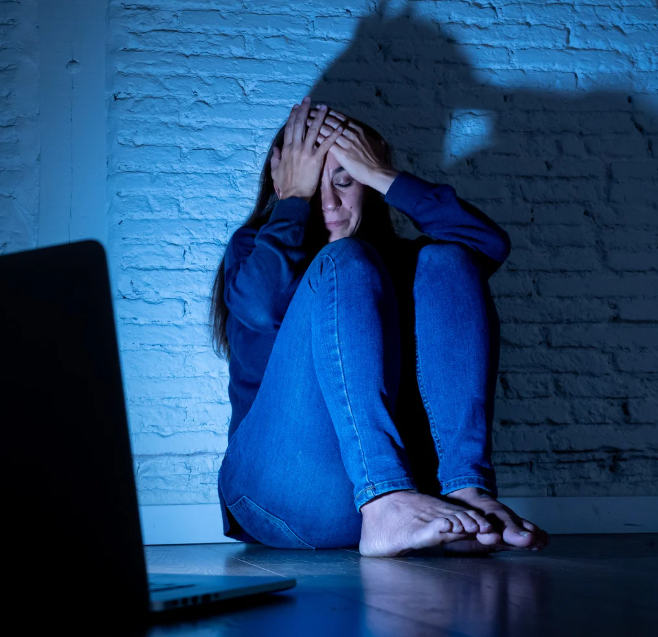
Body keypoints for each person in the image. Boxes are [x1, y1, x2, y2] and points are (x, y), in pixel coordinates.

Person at [208, 96, 550, 556]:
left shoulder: (401, 260)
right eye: (311, 185)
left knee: (448, 259)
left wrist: (383, 174)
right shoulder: (256, 249)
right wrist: (291, 202)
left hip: (407, 500)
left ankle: (465, 488)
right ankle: (383, 497)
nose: (328, 202)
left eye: (345, 180)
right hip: (281, 495)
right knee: (344, 261)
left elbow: (487, 245)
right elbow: (260, 307)